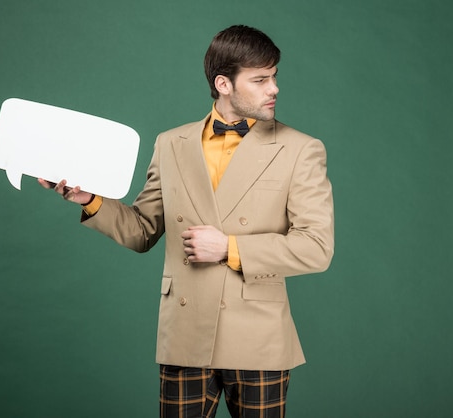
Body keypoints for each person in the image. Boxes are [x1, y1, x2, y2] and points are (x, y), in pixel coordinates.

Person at [39, 24, 334, 418]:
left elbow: (316, 248)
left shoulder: (300, 149)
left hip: (258, 337)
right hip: (185, 334)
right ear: (223, 84)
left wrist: (228, 248)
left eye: (274, 76)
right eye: (261, 79)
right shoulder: (170, 143)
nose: (274, 88)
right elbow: (142, 230)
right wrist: (89, 200)